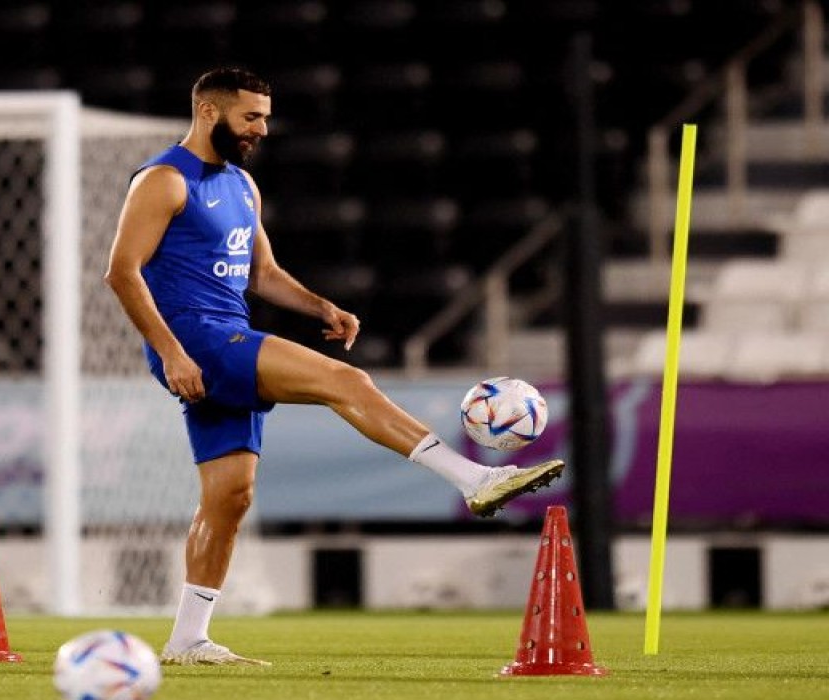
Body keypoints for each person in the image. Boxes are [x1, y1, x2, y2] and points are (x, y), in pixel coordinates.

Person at [104, 67, 566, 667]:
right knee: (346, 382)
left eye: (265, 118)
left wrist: (321, 306)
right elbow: (122, 271)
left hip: (220, 337)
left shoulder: (242, 185)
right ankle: (476, 480)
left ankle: (188, 639)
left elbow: (262, 273)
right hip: (199, 339)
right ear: (209, 112)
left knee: (230, 497)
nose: (261, 129)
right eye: (251, 117)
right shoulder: (165, 180)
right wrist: (171, 352)